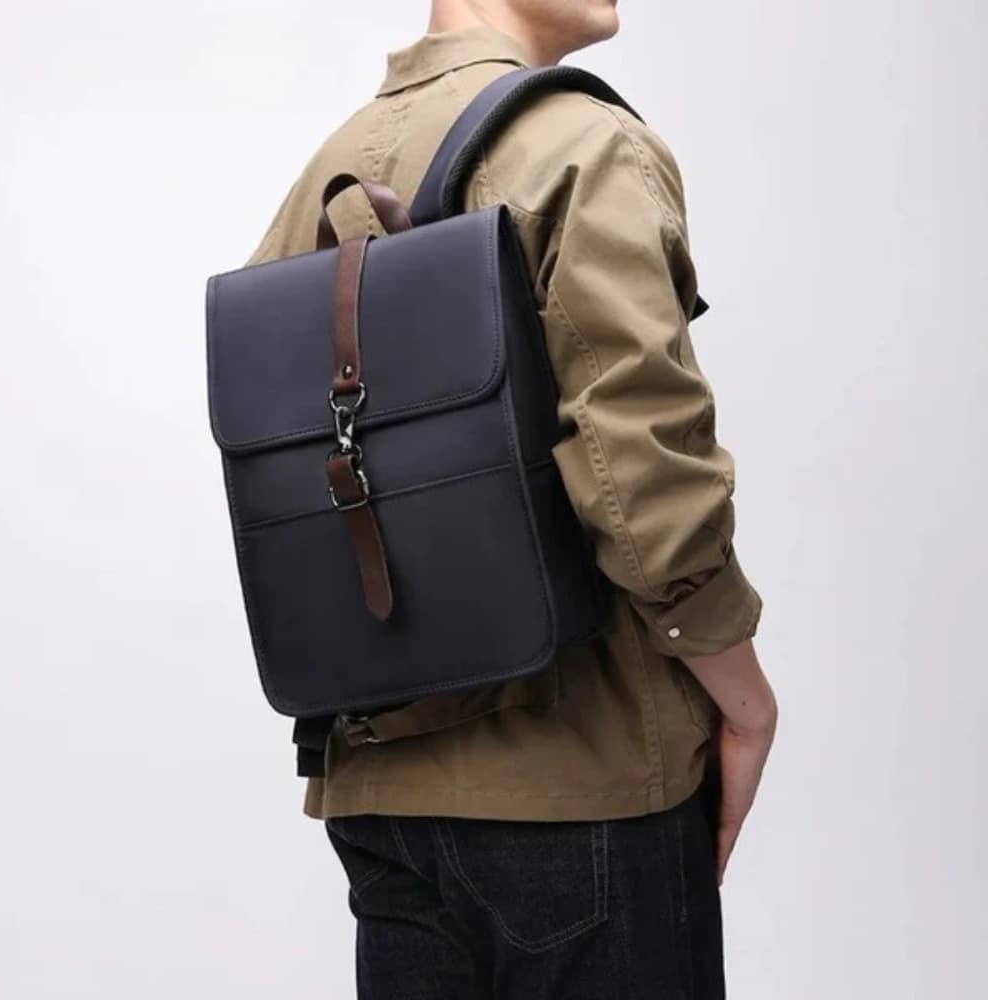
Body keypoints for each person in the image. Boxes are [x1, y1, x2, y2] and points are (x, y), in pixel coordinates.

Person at [245, 2, 778, 996]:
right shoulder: (581, 143)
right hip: (583, 782)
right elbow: (643, 469)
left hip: (379, 800)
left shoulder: (328, 168)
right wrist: (745, 700)